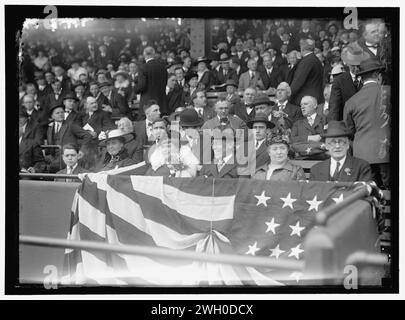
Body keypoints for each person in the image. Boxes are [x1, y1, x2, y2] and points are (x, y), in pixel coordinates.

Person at [343, 58, 390, 189]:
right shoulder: (388, 92)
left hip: (362, 154)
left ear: (361, 79)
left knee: (369, 195)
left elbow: (349, 130)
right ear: (377, 75)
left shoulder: (351, 101)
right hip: (387, 150)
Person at [328, 42, 369, 121]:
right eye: (353, 66)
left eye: (358, 65)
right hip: (347, 124)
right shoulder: (339, 81)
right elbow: (334, 107)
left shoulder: (369, 78)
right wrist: (334, 127)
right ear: (347, 63)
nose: (356, 69)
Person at [290, 39, 324, 106]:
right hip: (316, 97)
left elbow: (298, 81)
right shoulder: (315, 59)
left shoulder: (307, 61)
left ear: (302, 48)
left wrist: (288, 95)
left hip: (307, 100)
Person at [136, 46, 168, 118]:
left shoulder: (143, 67)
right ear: (154, 54)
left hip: (147, 104)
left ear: (144, 55)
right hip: (161, 103)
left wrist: (135, 89)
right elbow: (165, 83)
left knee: (146, 126)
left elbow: (141, 86)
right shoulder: (163, 67)